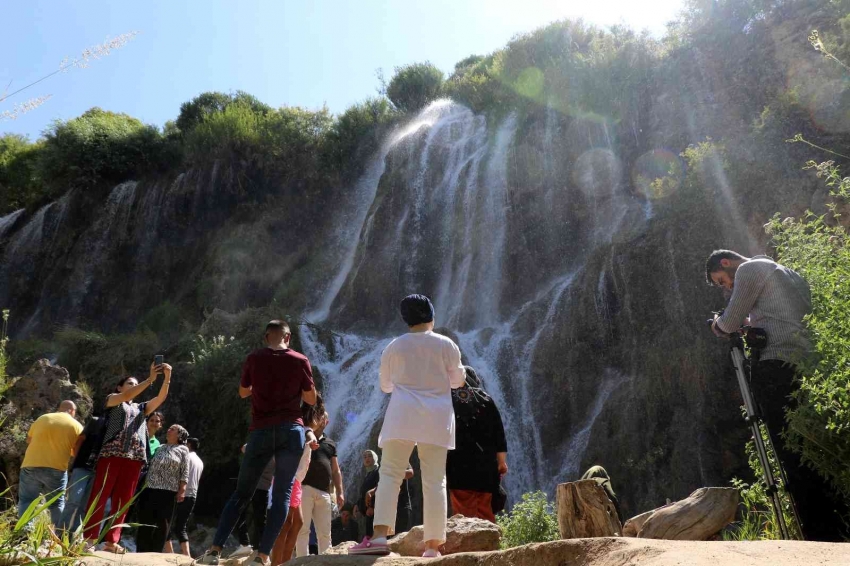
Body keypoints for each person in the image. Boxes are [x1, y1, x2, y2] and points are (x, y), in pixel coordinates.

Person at [706, 249, 848, 541]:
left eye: (721, 281)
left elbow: (730, 323)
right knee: (806, 449)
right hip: (803, 366)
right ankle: (832, 525)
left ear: (726, 262)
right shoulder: (786, 273)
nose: (726, 287)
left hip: (774, 368)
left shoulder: (749, 270)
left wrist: (717, 324)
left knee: (787, 452)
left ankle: (816, 534)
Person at [349, 294, 465, 558]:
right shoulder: (446, 344)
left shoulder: (394, 346)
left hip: (401, 417)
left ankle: (379, 537)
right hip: (436, 420)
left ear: (406, 320)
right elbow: (458, 381)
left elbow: (386, 385)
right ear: (431, 316)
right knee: (435, 480)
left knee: (389, 474)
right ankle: (433, 547)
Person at [195, 320, 317, 566]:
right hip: (291, 430)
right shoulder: (300, 359)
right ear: (288, 337)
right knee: (282, 494)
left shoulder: (254, 358)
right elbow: (311, 398)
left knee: (242, 493)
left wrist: (262, 388)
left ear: (266, 337)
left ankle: (214, 551)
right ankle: (261, 556)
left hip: (261, 430)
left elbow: (242, 392)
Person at [83, 364, 172, 552]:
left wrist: (167, 377)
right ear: (119, 387)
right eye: (130, 383)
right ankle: (89, 540)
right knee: (99, 496)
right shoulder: (113, 400)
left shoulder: (142, 408)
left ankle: (111, 542)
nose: (133, 386)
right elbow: (125, 397)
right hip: (111, 454)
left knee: (123, 502)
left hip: (135, 458)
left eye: (136, 384)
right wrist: (149, 380)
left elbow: (161, 397)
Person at [446, 365, 508, 523]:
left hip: (457, 465)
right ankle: (490, 544)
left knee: (463, 511)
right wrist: (501, 462)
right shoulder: (486, 398)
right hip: (486, 466)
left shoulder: (447, 398)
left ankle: (469, 545)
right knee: (485, 510)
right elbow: (499, 434)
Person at [270, 400, 321, 566]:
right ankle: (277, 563)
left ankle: (284, 561)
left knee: (297, 522)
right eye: (320, 417)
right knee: (286, 524)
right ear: (314, 416)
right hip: (289, 478)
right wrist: (313, 439)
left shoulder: (297, 429)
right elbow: (309, 434)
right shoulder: (305, 430)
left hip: (295, 481)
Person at [18, 400, 83, 526]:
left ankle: (24, 532)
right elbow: (76, 452)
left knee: (27, 500)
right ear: (72, 411)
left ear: (59, 408)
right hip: (56, 468)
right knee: (56, 503)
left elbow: (29, 440)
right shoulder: (76, 426)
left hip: (30, 464)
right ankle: (58, 536)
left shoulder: (42, 418)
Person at [295, 410, 344, 557]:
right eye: (318, 416)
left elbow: (336, 470)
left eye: (322, 417)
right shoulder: (302, 437)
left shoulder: (330, 443)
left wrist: (340, 492)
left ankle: (326, 560)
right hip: (304, 488)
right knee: (302, 529)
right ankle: (301, 560)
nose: (320, 419)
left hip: (325, 492)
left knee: (325, 532)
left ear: (326, 422)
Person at [135, 424, 190, 553]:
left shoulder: (183, 449)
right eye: (169, 428)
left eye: (173, 429)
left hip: (168, 491)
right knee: (145, 519)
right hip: (150, 488)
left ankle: (155, 550)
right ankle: (141, 550)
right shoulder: (160, 447)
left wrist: (182, 489)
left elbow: (185, 471)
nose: (168, 430)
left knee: (162, 522)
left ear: (179, 435)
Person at [61, 413, 104, 531]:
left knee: (85, 505)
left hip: (98, 471)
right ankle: (60, 532)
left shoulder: (117, 428)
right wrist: (77, 459)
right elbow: (80, 439)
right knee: (74, 500)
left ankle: (72, 534)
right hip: (82, 466)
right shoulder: (96, 421)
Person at [231, 448, 275, 559]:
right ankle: (260, 549)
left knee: (241, 513)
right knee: (260, 519)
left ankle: (246, 544)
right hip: (264, 487)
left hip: (253, 485)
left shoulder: (263, 445)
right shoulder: (278, 451)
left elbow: (245, 448)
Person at [165, 437, 204, 556]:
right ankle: (187, 555)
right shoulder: (200, 461)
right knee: (181, 527)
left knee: (166, 523)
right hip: (192, 496)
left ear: (189, 445)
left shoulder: (185, 457)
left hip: (179, 494)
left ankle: (169, 553)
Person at [364, 464, 414, 535]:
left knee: (401, 535)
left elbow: (410, 473)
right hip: (389, 508)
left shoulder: (402, 458)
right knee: (390, 538)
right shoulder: (385, 463)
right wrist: (371, 492)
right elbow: (383, 483)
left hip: (402, 506)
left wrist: (392, 475)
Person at [356, 450, 380, 537]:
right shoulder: (368, 474)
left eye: (370, 456)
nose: (367, 458)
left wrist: (372, 506)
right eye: (365, 457)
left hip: (375, 511)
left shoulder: (378, 472)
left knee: (375, 536)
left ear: (375, 458)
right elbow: (364, 491)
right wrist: (357, 505)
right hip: (368, 512)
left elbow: (379, 489)